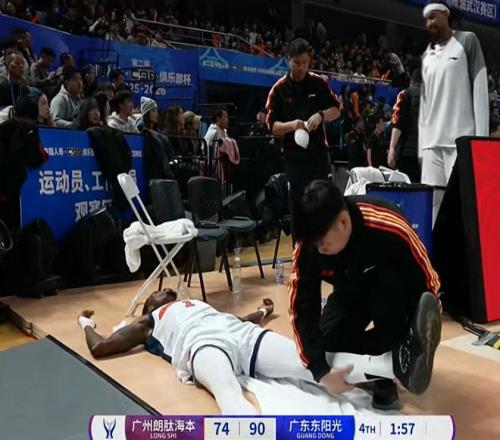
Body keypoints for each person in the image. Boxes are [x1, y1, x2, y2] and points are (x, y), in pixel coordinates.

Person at [77, 289, 410, 414]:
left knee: (312, 362)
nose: (167, 290)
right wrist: (85, 323)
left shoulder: (198, 305)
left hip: (242, 335)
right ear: (150, 305)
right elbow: (101, 347)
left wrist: (263, 312)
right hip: (203, 346)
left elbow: (237, 319)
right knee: (229, 397)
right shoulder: (149, 321)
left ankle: (394, 365)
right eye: (159, 292)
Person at [291, 180, 442, 410]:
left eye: (323, 244)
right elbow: (302, 308)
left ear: (343, 222)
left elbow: (426, 276)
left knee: (388, 299)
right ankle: (391, 360)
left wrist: (425, 321)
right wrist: (321, 372)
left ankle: (390, 364)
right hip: (349, 291)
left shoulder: (387, 224)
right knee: (326, 342)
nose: (319, 249)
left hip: (389, 290)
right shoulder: (309, 248)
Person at [419, 1, 489, 221]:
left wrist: (481, 140)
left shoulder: (467, 40)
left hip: (459, 140)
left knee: (463, 204)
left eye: (433, 16)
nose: (429, 22)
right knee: (432, 205)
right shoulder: (429, 55)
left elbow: (480, 87)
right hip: (432, 144)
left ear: (446, 15)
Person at [265, 38, 341, 235]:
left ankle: (325, 249)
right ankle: (300, 251)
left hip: (319, 157)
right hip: (294, 160)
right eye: (297, 62)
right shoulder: (278, 90)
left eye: (304, 63)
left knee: (323, 207)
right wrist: (291, 125)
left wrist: (321, 115)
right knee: (299, 210)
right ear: (288, 60)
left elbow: (336, 110)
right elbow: (272, 126)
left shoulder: (319, 83)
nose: (301, 67)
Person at [388, 69, 422, 182]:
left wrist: (392, 148)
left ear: (411, 82)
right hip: (428, 153)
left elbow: (397, 122)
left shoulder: (405, 94)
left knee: (408, 186)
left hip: (408, 152)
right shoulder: (433, 96)